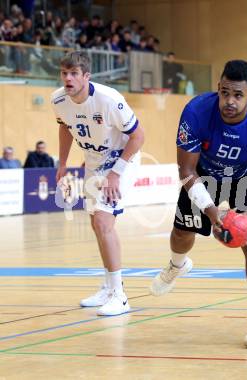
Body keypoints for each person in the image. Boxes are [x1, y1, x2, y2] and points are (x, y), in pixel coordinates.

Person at [150, 60, 247, 348]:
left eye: (237, 95)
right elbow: (186, 171)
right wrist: (213, 214)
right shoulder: (196, 111)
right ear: (218, 89)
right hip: (204, 174)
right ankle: (177, 265)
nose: (229, 101)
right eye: (224, 93)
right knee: (181, 234)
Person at [51, 51, 144, 316]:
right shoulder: (58, 99)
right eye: (64, 73)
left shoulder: (109, 99)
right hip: (93, 161)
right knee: (96, 223)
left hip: (121, 160)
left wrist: (116, 173)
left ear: (86, 76)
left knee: (103, 220)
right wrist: (62, 164)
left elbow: (139, 136)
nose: (68, 78)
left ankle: (120, 296)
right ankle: (108, 286)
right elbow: (64, 127)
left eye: (74, 74)